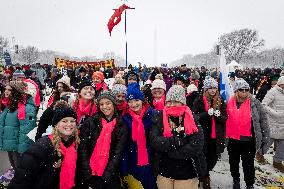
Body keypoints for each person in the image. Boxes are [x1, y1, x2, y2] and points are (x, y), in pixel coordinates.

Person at [8, 101, 79, 189]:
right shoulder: (41, 147)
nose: (69, 124)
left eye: (72, 121)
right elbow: (21, 180)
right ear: (56, 125)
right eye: (64, 121)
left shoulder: (74, 145)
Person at [150, 85, 206, 189]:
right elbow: (155, 141)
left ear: (182, 103)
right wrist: (178, 141)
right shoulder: (159, 117)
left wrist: (171, 152)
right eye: (169, 102)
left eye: (175, 101)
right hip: (164, 171)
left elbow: (196, 145)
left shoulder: (192, 118)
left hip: (187, 172)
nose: (172, 105)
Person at [77, 91, 128, 189]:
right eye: (101, 104)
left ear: (114, 104)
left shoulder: (121, 125)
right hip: (89, 173)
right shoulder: (91, 122)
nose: (105, 107)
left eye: (108, 103)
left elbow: (117, 154)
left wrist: (104, 178)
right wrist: (88, 175)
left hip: (110, 175)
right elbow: (83, 149)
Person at [226, 79, 270, 189]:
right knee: (233, 163)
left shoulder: (255, 103)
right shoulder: (229, 103)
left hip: (248, 141)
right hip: (233, 140)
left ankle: (249, 184)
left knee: (248, 165)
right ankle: (236, 179)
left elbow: (263, 121)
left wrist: (265, 139)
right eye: (241, 89)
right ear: (236, 90)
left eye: (247, 89)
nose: (244, 92)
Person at [192, 77, 227, 189]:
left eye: (214, 88)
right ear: (206, 89)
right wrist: (206, 114)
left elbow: (225, 119)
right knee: (202, 157)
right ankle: (205, 177)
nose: (213, 90)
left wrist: (219, 116)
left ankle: (205, 172)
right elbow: (194, 117)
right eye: (210, 88)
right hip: (203, 135)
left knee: (213, 159)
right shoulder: (199, 100)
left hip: (216, 136)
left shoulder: (220, 101)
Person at [121, 82, 157, 189]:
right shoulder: (126, 119)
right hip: (133, 161)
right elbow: (124, 145)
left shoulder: (153, 114)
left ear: (142, 100)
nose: (134, 104)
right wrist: (124, 168)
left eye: (136, 100)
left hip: (151, 161)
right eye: (130, 101)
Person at [0, 81, 37, 170]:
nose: (6, 91)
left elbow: (27, 130)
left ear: (17, 91)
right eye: (6, 89)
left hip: (19, 148)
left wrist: (22, 150)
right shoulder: (9, 105)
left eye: (10, 90)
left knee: (20, 170)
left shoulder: (26, 108)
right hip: (11, 145)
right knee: (16, 169)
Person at [262, 76, 284, 172]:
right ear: (280, 84)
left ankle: (277, 162)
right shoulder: (273, 91)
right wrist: (275, 113)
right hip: (273, 123)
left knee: (282, 145)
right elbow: (264, 104)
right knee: (268, 142)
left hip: (283, 124)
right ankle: (259, 154)